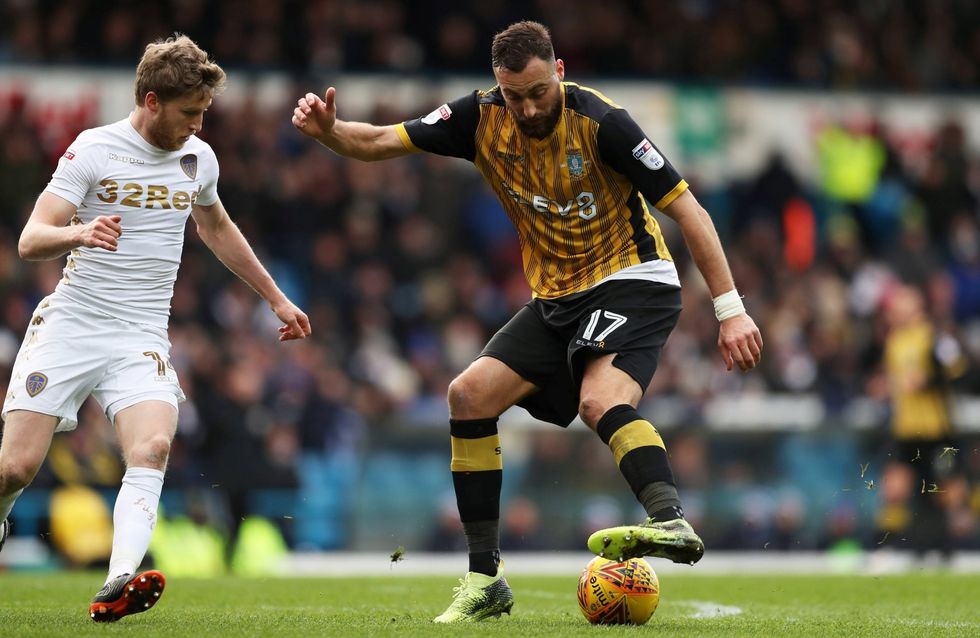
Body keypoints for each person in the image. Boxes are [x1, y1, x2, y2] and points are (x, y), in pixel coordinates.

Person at [293, 20, 762, 623]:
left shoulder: (603, 122)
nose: (529, 106)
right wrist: (330, 133)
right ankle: (485, 579)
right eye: (515, 95)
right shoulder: (480, 117)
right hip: (557, 299)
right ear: (498, 85)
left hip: (634, 277)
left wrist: (731, 310)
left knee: (600, 398)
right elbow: (381, 140)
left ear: (559, 71)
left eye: (539, 91)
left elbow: (688, 209)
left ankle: (669, 518)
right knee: (468, 395)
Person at [0, 35, 311, 622]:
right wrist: (78, 233)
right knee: (13, 469)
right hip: (72, 323)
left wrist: (275, 299)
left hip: (140, 334)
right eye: (189, 113)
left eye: (203, 113)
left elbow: (217, 229)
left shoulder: (199, 159)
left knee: (155, 445)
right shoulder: (94, 150)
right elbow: (29, 239)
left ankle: (117, 582)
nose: (198, 124)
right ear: (151, 100)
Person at [875, 283, 967, 563]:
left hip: (936, 429)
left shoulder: (935, 337)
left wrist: (925, 382)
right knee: (894, 487)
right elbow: (897, 382)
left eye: (899, 303)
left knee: (946, 493)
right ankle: (887, 549)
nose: (892, 310)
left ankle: (952, 549)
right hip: (906, 430)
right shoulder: (894, 341)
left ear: (916, 306)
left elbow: (959, 374)